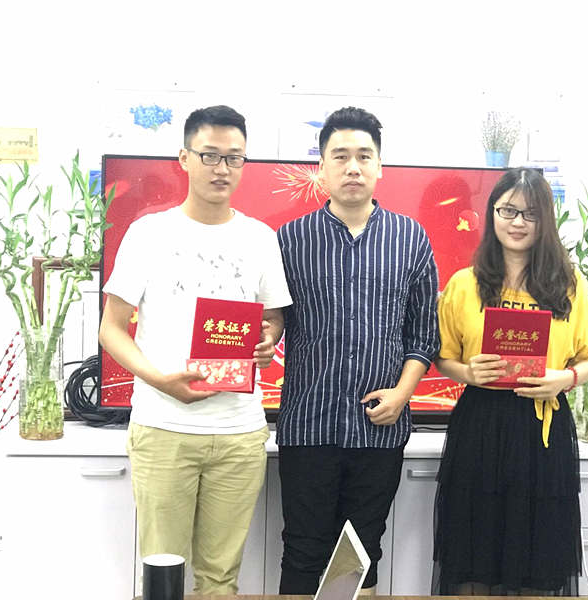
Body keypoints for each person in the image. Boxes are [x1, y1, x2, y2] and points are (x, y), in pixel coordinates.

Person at [98, 105, 292, 595]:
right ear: (184, 158)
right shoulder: (148, 233)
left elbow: (272, 318)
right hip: (164, 428)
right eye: (210, 155)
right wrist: (160, 380)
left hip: (239, 432)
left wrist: (268, 340)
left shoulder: (260, 238)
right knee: (162, 573)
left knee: (221, 579)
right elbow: (112, 330)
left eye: (234, 158)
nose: (222, 168)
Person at [276, 106, 440, 595]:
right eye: (340, 156)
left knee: (362, 551)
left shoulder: (410, 238)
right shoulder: (290, 240)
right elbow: (272, 322)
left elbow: (423, 334)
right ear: (321, 168)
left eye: (364, 156)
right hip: (308, 423)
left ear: (379, 166)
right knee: (303, 549)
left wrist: (403, 395)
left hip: (379, 428)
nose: (353, 167)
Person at [432, 167, 588, 596]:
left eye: (531, 213)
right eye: (508, 210)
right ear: (492, 213)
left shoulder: (568, 284)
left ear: (545, 219)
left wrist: (564, 378)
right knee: (474, 552)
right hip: (481, 425)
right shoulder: (465, 284)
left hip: (542, 430)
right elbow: (443, 356)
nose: (518, 222)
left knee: (538, 557)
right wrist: (468, 373)